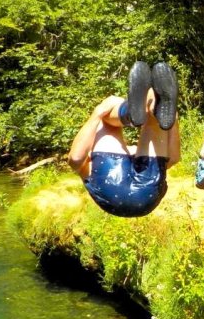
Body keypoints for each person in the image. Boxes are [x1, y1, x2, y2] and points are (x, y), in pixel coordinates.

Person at [66, 61, 180, 218]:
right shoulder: (127, 152)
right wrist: (97, 113)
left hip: (143, 197)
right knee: (107, 119)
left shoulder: (113, 154)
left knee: (145, 119)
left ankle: (137, 112)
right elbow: (75, 158)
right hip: (143, 188)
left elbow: (174, 158)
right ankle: (136, 111)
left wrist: (173, 122)